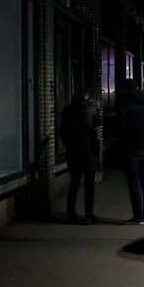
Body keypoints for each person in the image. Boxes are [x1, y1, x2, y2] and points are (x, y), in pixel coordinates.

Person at [117, 77, 144, 224]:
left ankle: (138, 216)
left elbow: (121, 129)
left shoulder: (125, 106)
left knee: (134, 183)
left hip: (131, 148)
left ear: (127, 90)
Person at [58, 89, 100, 224]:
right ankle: (89, 214)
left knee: (74, 184)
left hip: (73, 153)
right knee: (89, 186)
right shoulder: (91, 110)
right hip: (89, 153)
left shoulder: (67, 111)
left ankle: (71, 213)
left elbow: (62, 133)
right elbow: (98, 124)